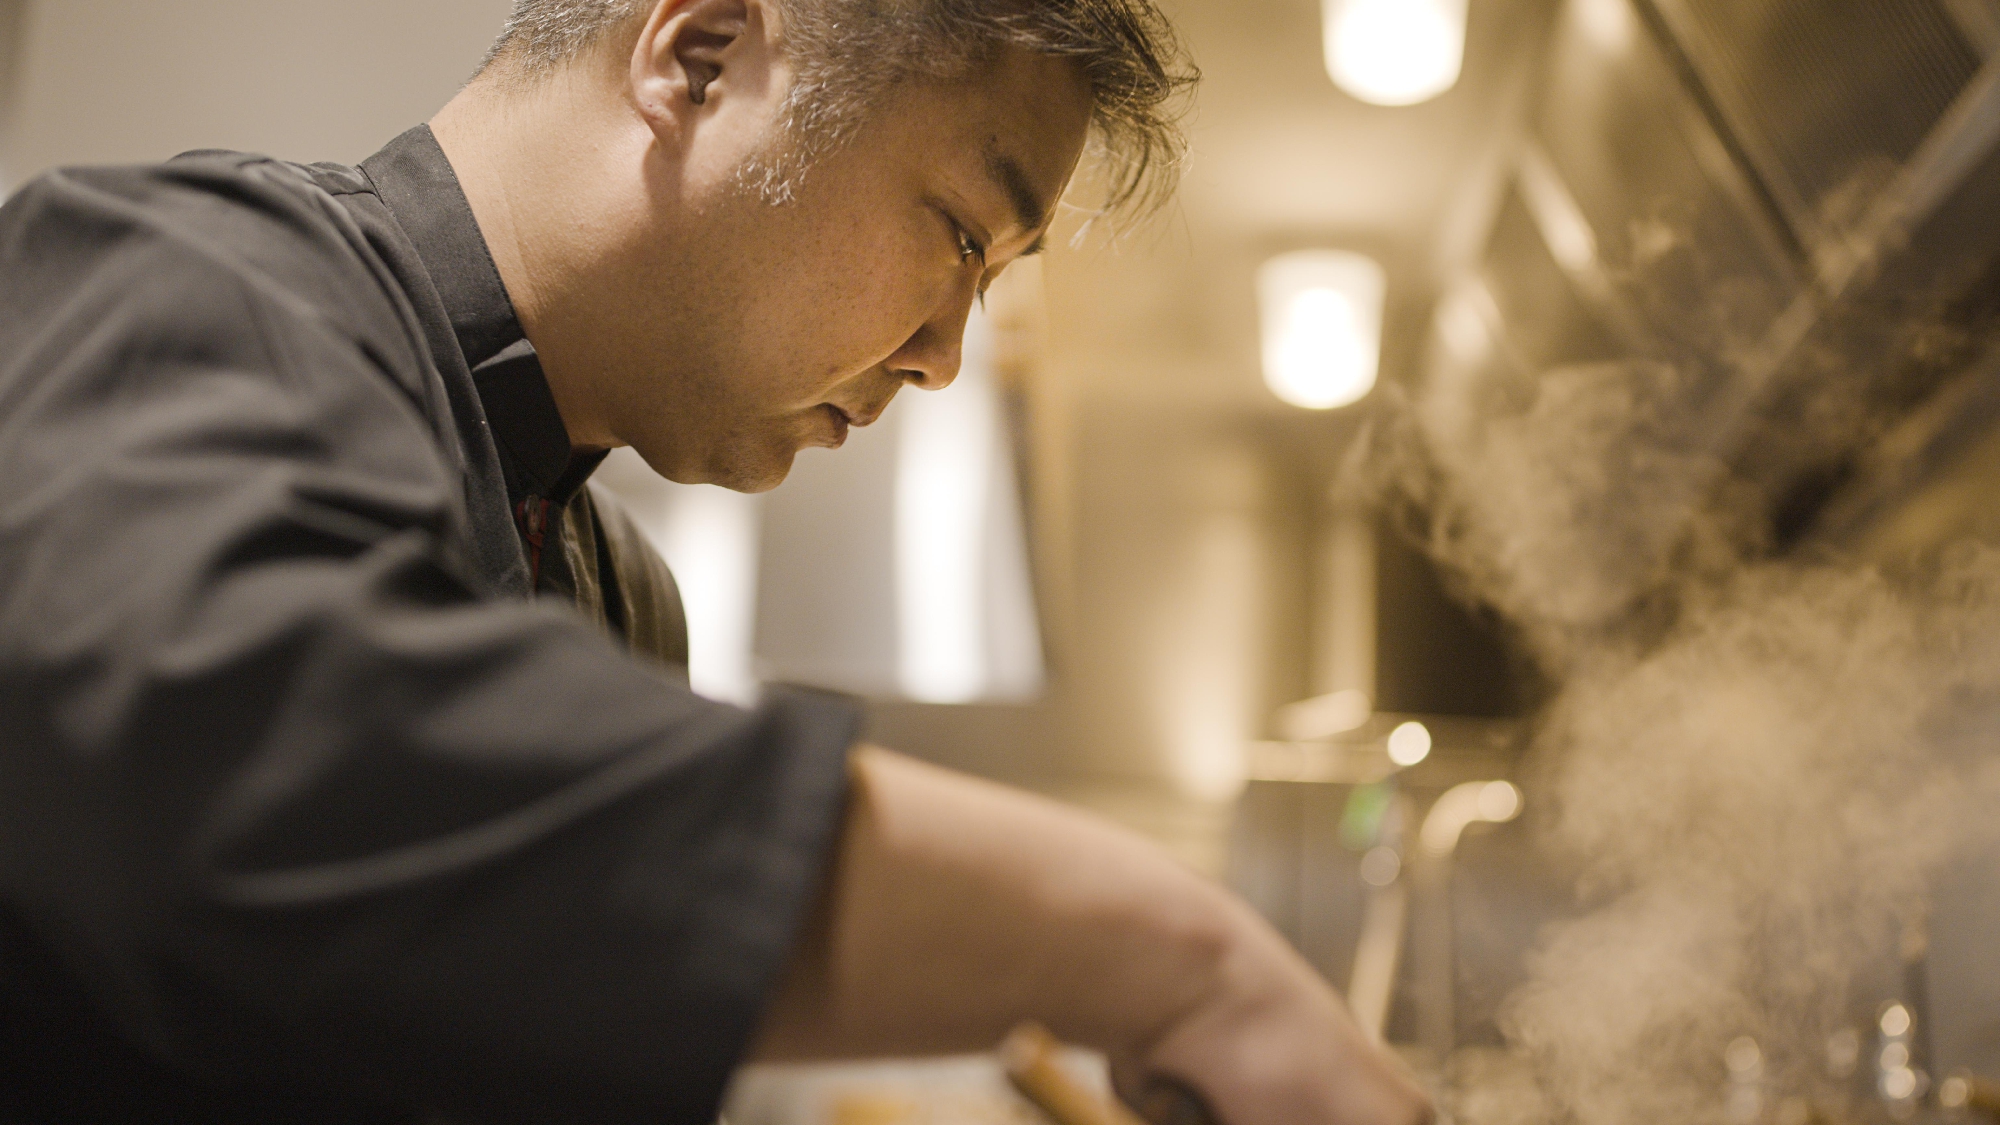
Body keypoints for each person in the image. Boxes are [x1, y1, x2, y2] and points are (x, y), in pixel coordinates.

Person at [0, 1, 1433, 1123]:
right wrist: (1170, 951)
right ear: (699, 54)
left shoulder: (624, 595)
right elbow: (259, 763)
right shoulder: (179, 275)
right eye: (957, 234)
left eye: (985, 288)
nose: (944, 356)